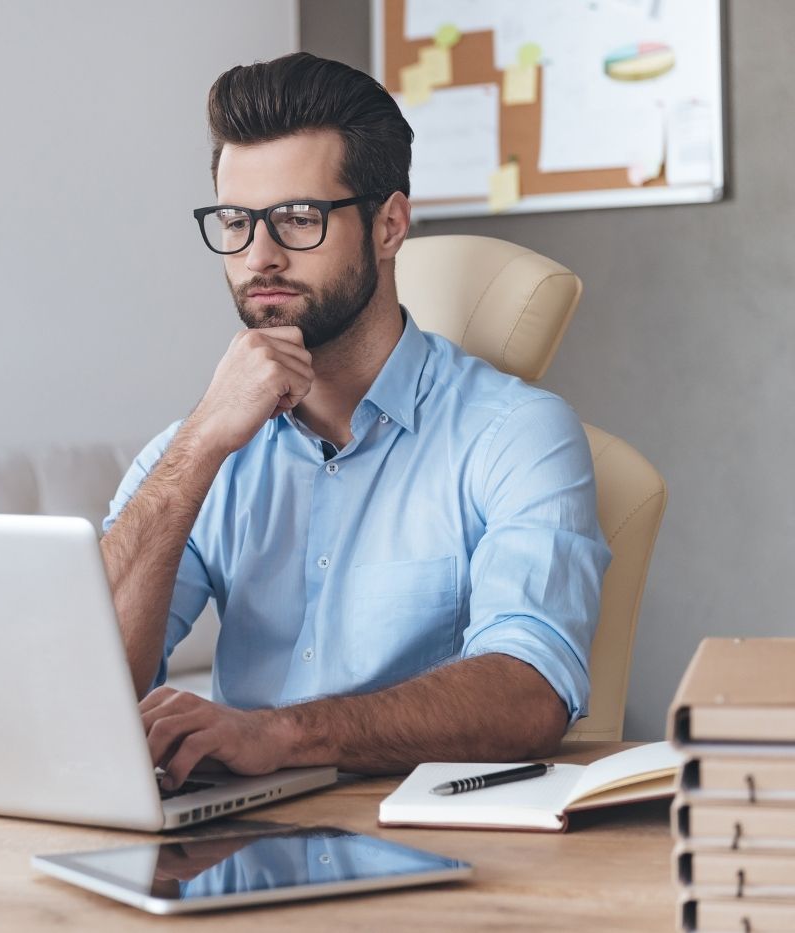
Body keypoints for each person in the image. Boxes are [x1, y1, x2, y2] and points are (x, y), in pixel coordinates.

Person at [99, 53, 611, 790]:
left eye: (299, 219)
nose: (258, 257)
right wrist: (201, 445)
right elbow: (90, 686)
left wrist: (277, 734)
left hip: (437, 853)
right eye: (237, 221)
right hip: (235, 848)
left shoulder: (518, 435)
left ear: (389, 225)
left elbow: (531, 690)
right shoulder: (197, 447)